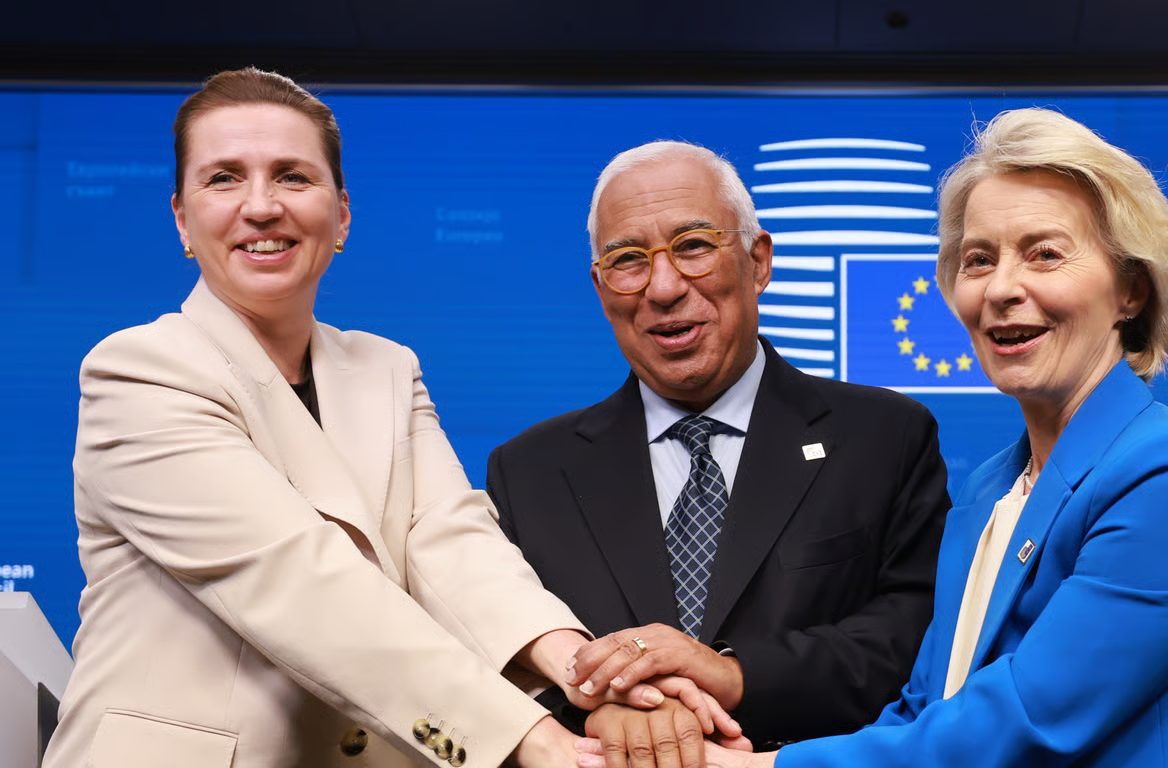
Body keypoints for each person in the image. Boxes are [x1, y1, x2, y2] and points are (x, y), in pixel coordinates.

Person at [42, 68, 714, 768]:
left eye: (293, 176)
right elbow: (300, 584)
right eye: (224, 178)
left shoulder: (387, 368)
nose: (262, 206)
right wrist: (536, 742)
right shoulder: (139, 371)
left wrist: (595, 675)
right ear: (183, 219)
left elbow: (453, 545)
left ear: (342, 216)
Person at [627, 107, 1168, 768]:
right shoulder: (989, 489)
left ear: (1131, 290)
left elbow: (1023, 722)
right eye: (978, 260)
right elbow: (924, 710)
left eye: (1044, 254)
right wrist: (742, 749)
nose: (1002, 288)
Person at [487, 140, 952, 766]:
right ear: (600, 287)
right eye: (628, 260)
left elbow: (913, 636)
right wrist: (608, 705)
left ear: (758, 262)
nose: (663, 287)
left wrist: (733, 673)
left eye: (693, 246)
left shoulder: (885, 436)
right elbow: (499, 652)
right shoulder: (528, 472)